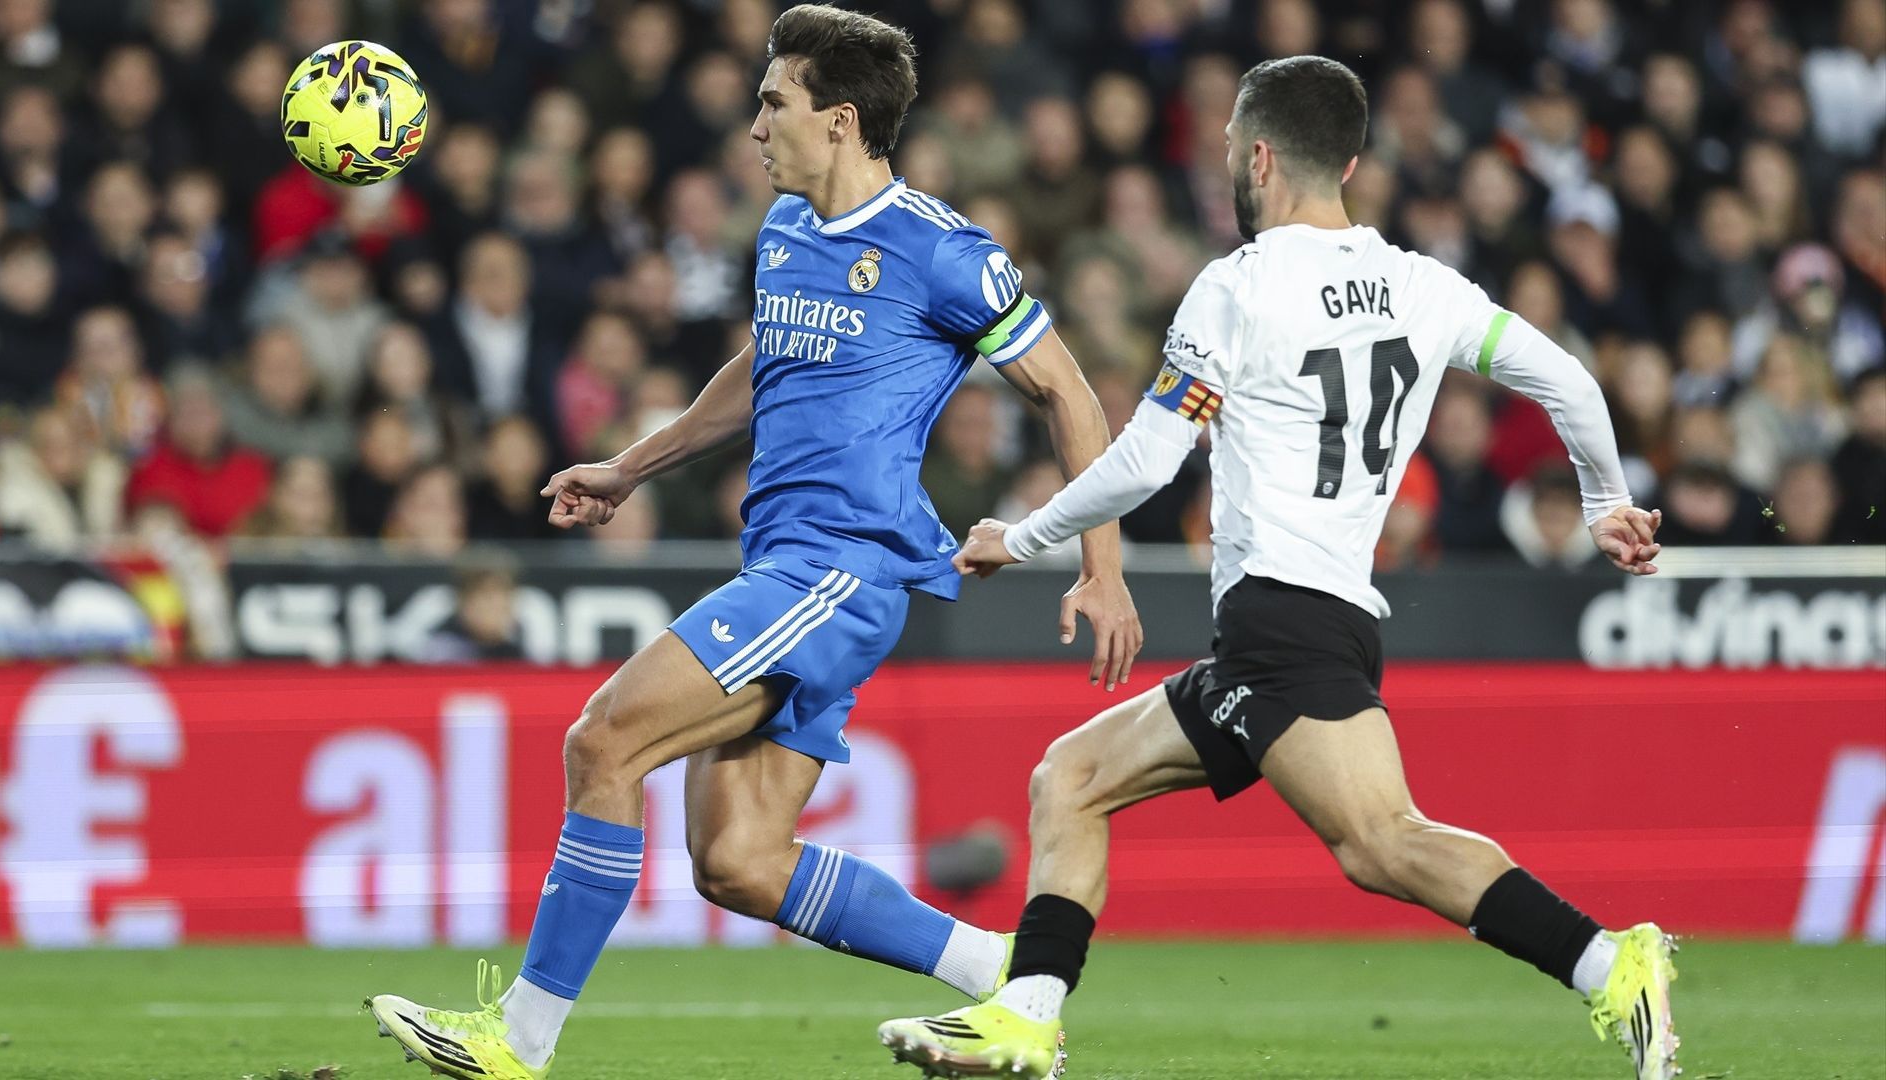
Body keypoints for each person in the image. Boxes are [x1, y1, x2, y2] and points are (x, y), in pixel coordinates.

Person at [366, 8, 1138, 1079]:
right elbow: (763, 370)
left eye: (774, 101)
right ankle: (1006, 981)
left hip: (841, 568)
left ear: (842, 120)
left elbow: (1071, 394)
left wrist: (1103, 570)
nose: (752, 125)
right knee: (736, 861)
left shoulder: (940, 250)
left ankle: (517, 1041)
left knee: (603, 742)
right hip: (783, 566)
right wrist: (632, 465)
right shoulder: (781, 232)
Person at [880, 56, 1677, 1080]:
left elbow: (1150, 456)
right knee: (1069, 778)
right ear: (1347, 159)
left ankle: (1614, 962)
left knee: (1381, 843)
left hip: (1283, 619)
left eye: (1227, 149)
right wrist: (1606, 500)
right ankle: (1026, 1018)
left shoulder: (1240, 288)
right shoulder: (1424, 285)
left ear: (1257, 155)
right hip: (1305, 618)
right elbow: (1563, 377)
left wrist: (1022, 537)